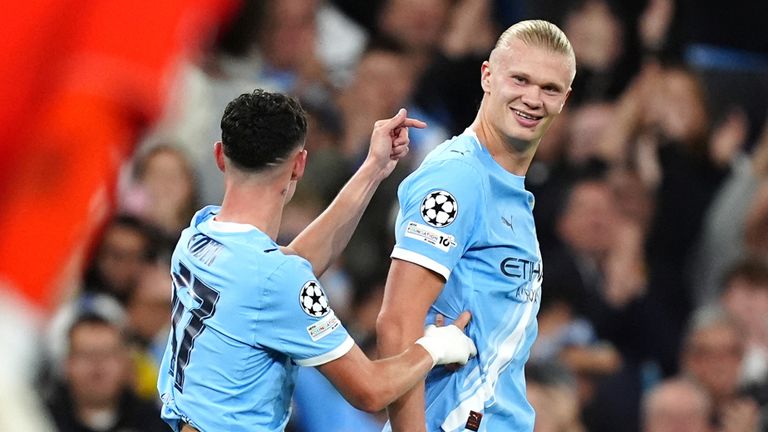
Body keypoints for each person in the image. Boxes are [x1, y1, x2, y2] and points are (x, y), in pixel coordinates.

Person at [157, 89, 477, 432]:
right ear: (299, 165)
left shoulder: (197, 234)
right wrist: (436, 346)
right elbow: (369, 391)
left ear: (220, 156)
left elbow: (293, 262)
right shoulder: (275, 278)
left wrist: (373, 169)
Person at [377, 19, 576, 431]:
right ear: (488, 75)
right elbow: (396, 323)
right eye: (520, 79)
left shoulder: (509, 191)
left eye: (549, 88)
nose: (532, 98)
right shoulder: (459, 178)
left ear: (565, 99)